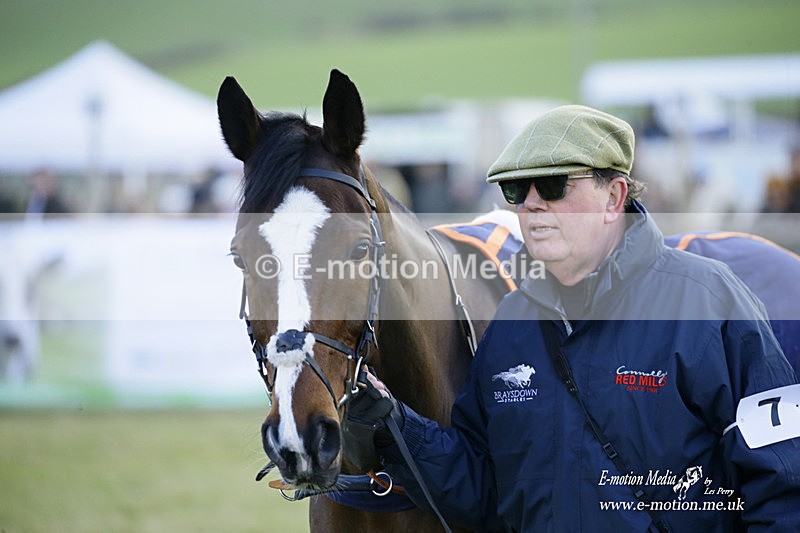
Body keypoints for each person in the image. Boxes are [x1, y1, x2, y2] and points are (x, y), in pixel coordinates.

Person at [345, 105, 800, 531]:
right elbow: (483, 487)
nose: (531, 204)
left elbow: (783, 484)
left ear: (613, 197)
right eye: (516, 190)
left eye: (553, 185)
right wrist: (396, 426)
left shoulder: (708, 300)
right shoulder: (511, 323)